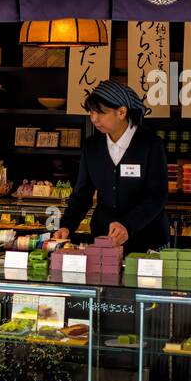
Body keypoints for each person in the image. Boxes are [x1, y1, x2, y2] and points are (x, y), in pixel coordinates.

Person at [53, 79, 169, 254]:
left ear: (121, 112)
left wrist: (127, 225)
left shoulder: (150, 144)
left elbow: (157, 196)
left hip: (146, 238)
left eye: (101, 113)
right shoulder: (91, 146)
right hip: (103, 239)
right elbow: (82, 194)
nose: (94, 119)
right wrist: (67, 226)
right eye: (91, 113)